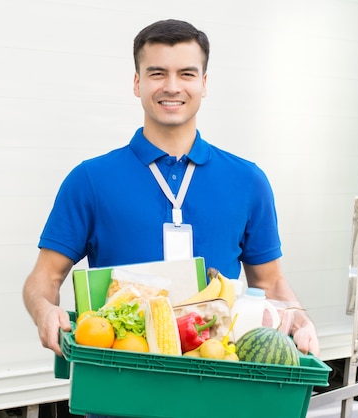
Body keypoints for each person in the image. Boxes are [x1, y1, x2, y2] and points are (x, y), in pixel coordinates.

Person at [23, 19, 319, 362]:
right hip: (118, 386)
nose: (172, 86)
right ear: (137, 83)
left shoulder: (248, 181)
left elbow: (270, 282)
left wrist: (298, 315)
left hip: (217, 383)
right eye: (157, 73)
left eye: (187, 74)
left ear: (204, 84)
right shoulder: (90, 179)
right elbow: (43, 278)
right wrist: (43, 310)